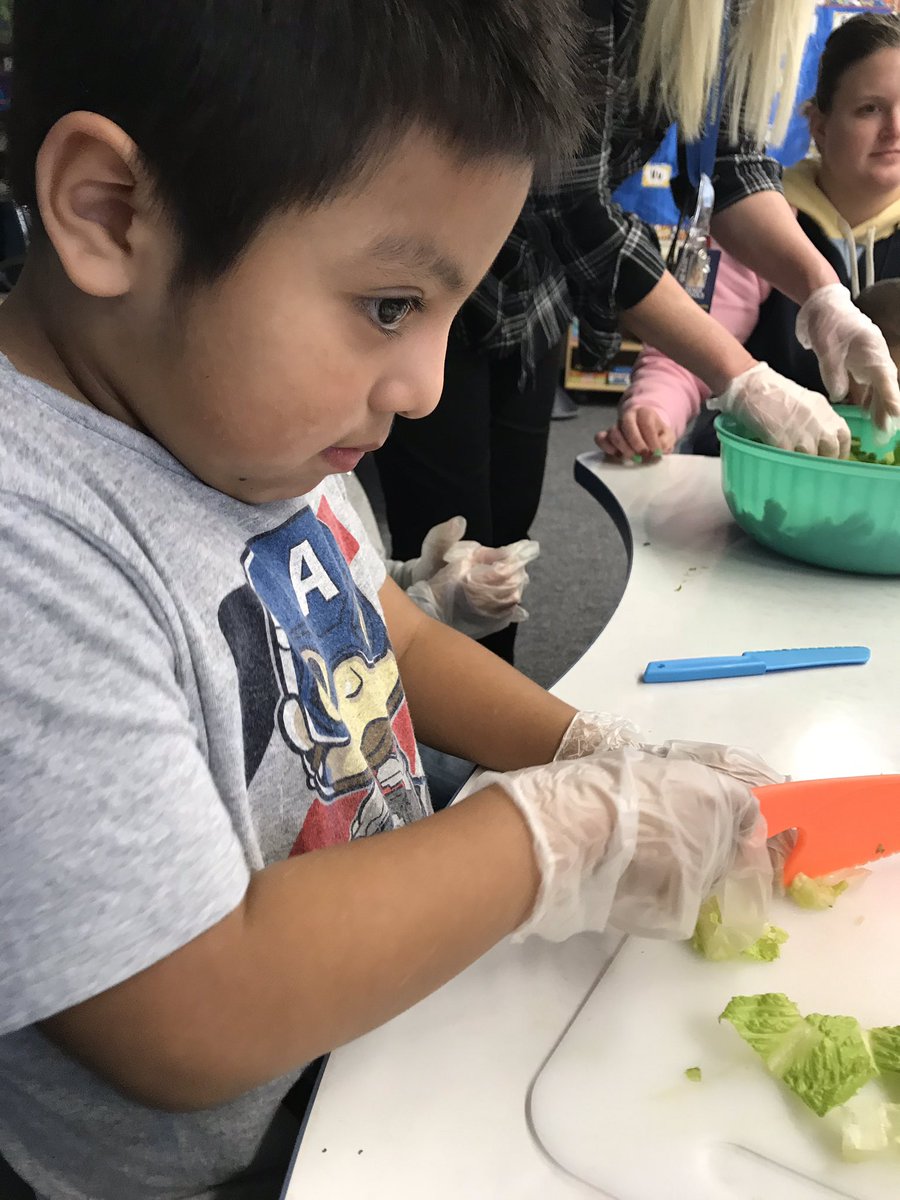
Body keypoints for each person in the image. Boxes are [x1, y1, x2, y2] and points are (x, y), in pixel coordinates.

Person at [0, 4, 783, 1199]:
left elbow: (392, 631)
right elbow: (191, 1009)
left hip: (378, 1045)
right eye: (387, 306)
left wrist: (595, 751)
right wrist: (556, 834)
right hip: (239, 1161)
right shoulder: (29, 536)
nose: (422, 386)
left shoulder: (247, 433)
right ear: (111, 211)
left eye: (451, 313)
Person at [374, 0, 900, 663]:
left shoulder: (733, 16)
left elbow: (736, 170)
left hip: (530, 292)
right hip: (429, 270)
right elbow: (569, 203)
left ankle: (480, 744)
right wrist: (741, 376)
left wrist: (827, 297)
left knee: (501, 553)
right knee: (441, 541)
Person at [597, 12, 900, 461]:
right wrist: (652, 411)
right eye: (869, 109)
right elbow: (685, 357)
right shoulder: (758, 227)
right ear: (818, 124)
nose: (894, 128)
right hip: (755, 474)